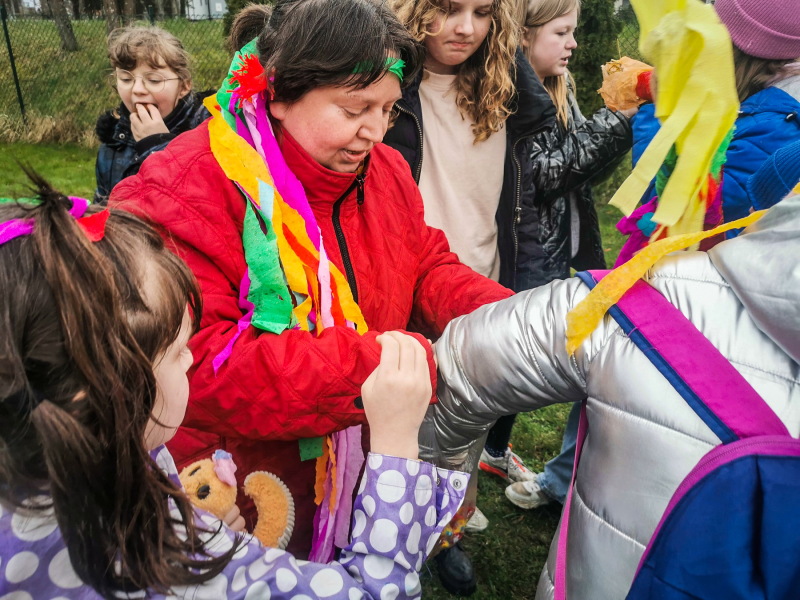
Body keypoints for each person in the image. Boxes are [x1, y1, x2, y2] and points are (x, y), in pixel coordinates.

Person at [111, 0, 512, 565]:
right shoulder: (180, 191)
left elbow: (422, 264)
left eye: (389, 110)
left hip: (355, 455)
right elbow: (202, 362)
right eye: (354, 109)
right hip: (240, 485)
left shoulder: (384, 170)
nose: (375, 131)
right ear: (277, 95)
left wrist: (516, 321)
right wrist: (395, 367)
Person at [0, 173, 469, 599]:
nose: (193, 361)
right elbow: (371, 594)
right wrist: (395, 448)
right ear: (106, 391)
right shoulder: (160, 566)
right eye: (181, 350)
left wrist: (183, 515)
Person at [430, 190, 800, 598]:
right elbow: (462, 368)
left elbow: (461, 366)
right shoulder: (631, 311)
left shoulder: (633, 308)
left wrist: (413, 506)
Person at [478, 0, 634, 512]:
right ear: (522, 37)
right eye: (562, 32)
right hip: (523, 257)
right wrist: (617, 122)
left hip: (552, 249)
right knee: (504, 367)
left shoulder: (559, 93)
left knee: (519, 371)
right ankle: (466, 465)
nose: (573, 44)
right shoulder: (516, 102)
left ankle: (494, 450)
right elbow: (546, 174)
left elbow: (577, 169)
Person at [618, 0, 800, 245]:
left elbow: (671, 206)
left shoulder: (776, 128)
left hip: (702, 269)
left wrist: (659, 111)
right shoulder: (757, 109)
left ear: (729, 54)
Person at [94, 27, 212, 203]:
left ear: (184, 87)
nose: (137, 90)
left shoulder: (207, 133)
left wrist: (157, 145)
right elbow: (105, 208)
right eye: (126, 79)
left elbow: (203, 206)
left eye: (154, 80)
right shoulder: (112, 144)